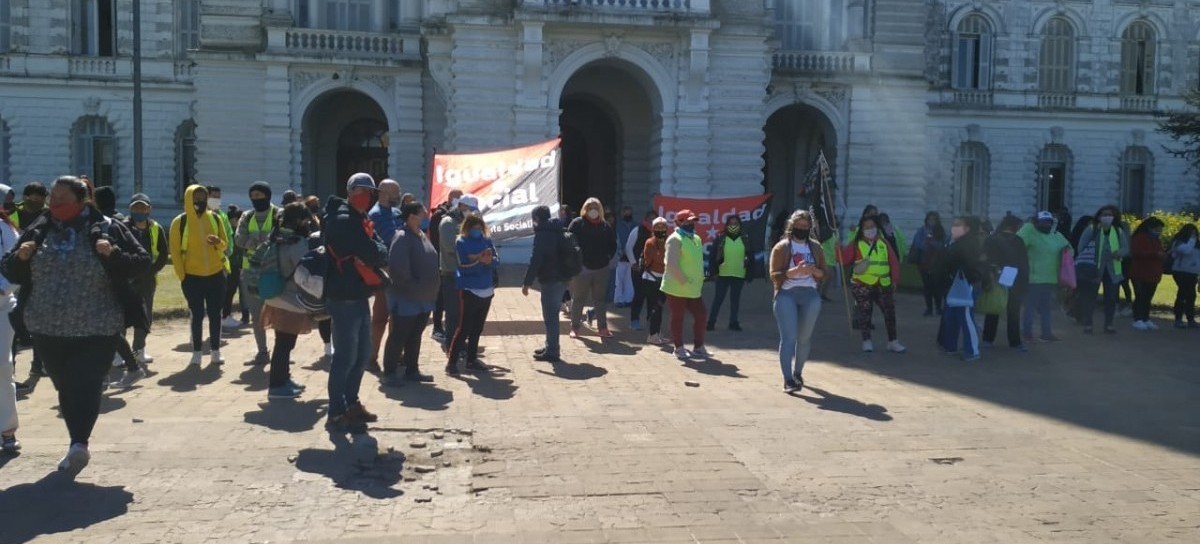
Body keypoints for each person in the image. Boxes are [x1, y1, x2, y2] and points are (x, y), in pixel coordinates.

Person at [0, 175, 150, 475]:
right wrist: (22, 256)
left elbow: (142, 262)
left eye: (62, 200)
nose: (54, 204)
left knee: (88, 383)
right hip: (47, 326)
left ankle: (79, 443)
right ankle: (76, 439)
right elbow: (9, 267)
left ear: (82, 202)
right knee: (65, 387)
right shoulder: (39, 228)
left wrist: (114, 253)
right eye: (52, 199)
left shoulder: (107, 227)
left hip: (98, 324)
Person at [323, 173, 389, 432]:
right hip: (343, 296)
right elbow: (373, 251)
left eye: (369, 191)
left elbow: (379, 249)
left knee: (361, 353)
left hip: (359, 293)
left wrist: (374, 254)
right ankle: (335, 411)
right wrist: (373, 254)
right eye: (361, 190)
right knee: (345, 356)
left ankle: (351, 404)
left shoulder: (360, 218)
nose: (366, 195)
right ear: (350, 191)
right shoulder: (342, 220)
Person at [259, 203, 321, 399]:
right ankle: (277, 385)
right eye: (305, 220)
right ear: (298, 221)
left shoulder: (277, 237)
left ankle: (284, 379)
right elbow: (304, 267)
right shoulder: (296, 242)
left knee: (283, 343)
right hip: (288, 301)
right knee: (284, 344)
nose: (308, 223)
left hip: (275, 297)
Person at [110, 193, 169, 388]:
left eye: (143, 208)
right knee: (122, 316)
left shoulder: (156, 228)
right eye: (136, 208)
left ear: (149, 209)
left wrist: (149, 270)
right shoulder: (122, 227)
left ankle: (139, 349)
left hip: (146, 280)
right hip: (126, 279)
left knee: (144, 316)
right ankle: (120, 353)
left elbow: (162, 253)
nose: (140, 211)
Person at [171, 184, 230, 366]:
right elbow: (174, 252)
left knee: (215, 314)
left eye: (203, 198)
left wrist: (218, 242)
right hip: (192, 277)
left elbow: (225, 245)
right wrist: (183, 276)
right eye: (195, 198)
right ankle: (196, 351)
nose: (200, 202)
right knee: (196, 315)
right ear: (188, 199)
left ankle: (215, 351)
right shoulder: (179, 222)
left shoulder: (215, 218)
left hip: (215, 274)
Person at [382, 202, 439, 385]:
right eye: (421, 212)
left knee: (415, 335)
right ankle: (389, 372)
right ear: (412, 216)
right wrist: (413, 286)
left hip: (424, 298)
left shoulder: (421, 234)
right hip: (407, 297)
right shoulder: (402, 237)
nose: (424, 214)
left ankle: (412, 369)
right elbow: (399, 269)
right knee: (399, 335)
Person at [770, 210, 825, 393]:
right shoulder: (782, 247)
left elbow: (824, 273)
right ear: (791, 226)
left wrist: (815, 272)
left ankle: (798, 372)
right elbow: (773, 274)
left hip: (810, 294)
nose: (801, 229)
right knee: (789, 338)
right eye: (798, 226)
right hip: (787, 293)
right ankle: (787, 379)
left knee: (804, 337)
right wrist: (790, 273)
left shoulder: (816, 247)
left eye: (805, 226)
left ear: (810, 227)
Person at [840, 215, 906, 353]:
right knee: (865, 313)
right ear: (861, 229)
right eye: (867, 227)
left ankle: (893, 341)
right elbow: (844, 260)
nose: (870, 230)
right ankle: (866, 341)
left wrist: (895, 279)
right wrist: (838, 249)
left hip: (883, 283)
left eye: (872, 227)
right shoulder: (856, 243)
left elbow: (893, 262)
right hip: (862, 284)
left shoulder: (883, 243)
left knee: (889, 313)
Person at [446, 213, 498, 374]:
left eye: (479, 227)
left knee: (478, 328)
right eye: (474, 228)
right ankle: (452, 362)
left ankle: (472, 359)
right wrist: (478, 262)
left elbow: (496, 260)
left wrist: (489, 261)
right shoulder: (461, 242)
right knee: (464, 328)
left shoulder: (486, 240)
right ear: (467, 228)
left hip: (487, 289)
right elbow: (462, 267)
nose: (477, 231)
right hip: (470, 290)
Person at [235, 181, 279, 365]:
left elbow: (282, 236)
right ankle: (262, 352)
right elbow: (238, 239)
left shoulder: (278, 214)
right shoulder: (247, 216)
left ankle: (281, 352)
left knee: (279, 313)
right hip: (251, 272)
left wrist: (253, 240)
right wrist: (265, 238)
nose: (256, 200)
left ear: (267, 196)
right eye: (253, 197)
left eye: (259, 196)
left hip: (274, 270)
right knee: (256, 315)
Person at [934, 216, 987, 361]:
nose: (954, 227)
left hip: (965, 284)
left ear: (967, 228)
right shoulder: (957, 243)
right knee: (953, 315)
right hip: (956, 284)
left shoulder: (967, 244)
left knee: (965, 315)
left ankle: (972, 350)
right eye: (954, 224)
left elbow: (964, 264)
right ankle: (950, 346)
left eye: (958, 225)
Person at [661, 209, 711, 360]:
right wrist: (684, 280)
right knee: (678, 317)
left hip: (693, 288)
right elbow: (671, 264)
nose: (691, 223)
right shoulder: (674, 239)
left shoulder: (696, 238)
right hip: (676, 286)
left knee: (701, 315)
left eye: (692, 221)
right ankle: (678, 348)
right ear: (679, 222)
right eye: (688, 221)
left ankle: (698, 346)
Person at [1074, 206, 1130, 334]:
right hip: (1093, 269)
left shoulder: (1118, 231)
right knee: (1090, 297)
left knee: (1111, 298)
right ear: (1099, 216)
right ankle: (1088, 323)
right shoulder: (1092, 229)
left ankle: (1109, 324)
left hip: (1112, 270)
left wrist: (1119, 253)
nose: (1107, 217)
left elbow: (1126, 248)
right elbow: (1081, 246)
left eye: (1109, 215)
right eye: (1104, 214)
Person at [523, 205, 568, 362]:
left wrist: (527, 283)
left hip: (550, 279)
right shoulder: (559, 229)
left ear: (536, 219)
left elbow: (536, 260)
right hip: (563, 278)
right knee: (553, 314)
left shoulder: (543, 235)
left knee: (550, 317)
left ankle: (553, 351)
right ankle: (550, 345)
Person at [1017, 211, 1070, 342]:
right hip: (1033, 279)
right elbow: (1018, 240)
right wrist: (1028, 226)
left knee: (1046, 308)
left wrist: (1066, 251)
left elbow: (1070, 251)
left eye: (1048, 222)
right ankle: (1027, 332)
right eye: (1042, 222)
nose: (1045, 224)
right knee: (1030, 306)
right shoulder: (1031, 234)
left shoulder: (1057, 236)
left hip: (1050, 279)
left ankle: (1046, 333)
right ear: (1036, 222)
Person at [568, 198, 617, 338]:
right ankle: (575, 328)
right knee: (578, 299)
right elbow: (569, 240)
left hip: (601, 268)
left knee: (600, 300)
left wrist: (608, 257)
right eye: (590, 207)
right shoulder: (577, 223)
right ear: (585, 209)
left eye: (595, 207)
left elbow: (612, 244)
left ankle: (602, 328)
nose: (593, 210)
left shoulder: (605, 226)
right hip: (582, 268)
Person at [367, 179, 403, 373]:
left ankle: (394, 354)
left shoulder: (397, 213)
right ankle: (371, 357)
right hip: (384, 273)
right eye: (395, 193)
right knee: (380, 317)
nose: (398, 196)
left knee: (398, 317)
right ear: (383, 193)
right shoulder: (374, 215)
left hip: (402, 272)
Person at [438, 194, 477, 355]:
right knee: (453, 312)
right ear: (461, 206)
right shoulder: (448, 222)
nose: (472, 213)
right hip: (451, 273)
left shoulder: (464, 222)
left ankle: (460, 343)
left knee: (464, 312)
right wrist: (471, 249)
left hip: (465, 272)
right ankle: (451, 345)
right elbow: (449, 247)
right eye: (470, 209)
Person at [982, 215, 1028, 351]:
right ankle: (1015, 342)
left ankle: (987, 339)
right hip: (1014, 278)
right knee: (1013, 312)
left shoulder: (991, 239)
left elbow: (984, 259)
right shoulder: (1018, 241)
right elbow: (1024, 264)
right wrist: (1024, 283)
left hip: (994, 277)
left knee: (993, 309)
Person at [0, 185, 21, 454]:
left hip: (2, 307)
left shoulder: (7, 231)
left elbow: (18, 267)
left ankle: (6, 429)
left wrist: (2, 289)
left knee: (2, 367)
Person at [707, 213, 754, 331]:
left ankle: (733, 322)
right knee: (718, 299)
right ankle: (711, 322)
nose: (733, 226)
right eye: (731, 223)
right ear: (726, 225)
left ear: (740, 225)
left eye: (736, 224)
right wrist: (713, 272)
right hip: (722, 274)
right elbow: (712, 256)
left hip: (739, 274)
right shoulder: (721, 238)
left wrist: (749, 273)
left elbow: (750, 256)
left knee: (735, 301)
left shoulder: (745, 238)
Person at [428, 189, 463, 342]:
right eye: (457, 199)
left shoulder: (459, 216)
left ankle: (451, 329)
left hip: (456, 263)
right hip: (440, 260)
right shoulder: (440, 216)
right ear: (450, 199)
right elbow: (436, 240)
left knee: (452, 299)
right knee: (440, 296)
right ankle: (437, 326)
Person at [1129, 217, 1166, 331]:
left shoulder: (1156, 240)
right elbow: (1136, 252)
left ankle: (1145, 318)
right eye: (1157, 229)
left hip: (1153, 273)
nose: (1159, 231)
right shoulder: (1139, 238)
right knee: (1140, 296)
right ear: (1150, 228)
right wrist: (1155, 254)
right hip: (1140, 272)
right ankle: (1137, 319)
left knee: (1148, 297)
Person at [625, 210, 657, 331]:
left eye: (654, 218)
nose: (652, 220)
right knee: (639, 294)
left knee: (652, 297)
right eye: (650, 218)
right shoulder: (637, 230)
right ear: (646, 218)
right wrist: (633, 263)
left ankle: (651, 321)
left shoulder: (659, 232)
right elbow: (628, 247)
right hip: (639, 268)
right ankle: (634, 320)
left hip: (654, 270)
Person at [640, 218, 670, 344]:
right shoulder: (650, 242)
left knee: (659, 307)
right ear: (653, 228)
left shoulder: (669, 242)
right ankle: (652, 334)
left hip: (664, 278)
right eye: (657, 227)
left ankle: (656, 332)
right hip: (651, 278)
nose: (660, 229)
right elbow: (658, 259)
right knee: (654, 307)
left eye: (663, 227)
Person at [909, 212, 945, 316]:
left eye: (934, 219)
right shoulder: (921, 230)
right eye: (930, 219)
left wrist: (931, 243)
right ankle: (929, 308)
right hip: (924, 262)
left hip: (937, 263)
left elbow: (943, 244)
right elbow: (917, 243)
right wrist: (927, 245)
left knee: (937, 287)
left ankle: (938, 307)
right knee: (927, 286)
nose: (931, 222)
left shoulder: (940, 231)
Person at [1168, 224, 1199, 328]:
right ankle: (1178, 318)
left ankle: (1190, 319)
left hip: (1192, 273)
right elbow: (1187, 250)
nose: (1194, 235)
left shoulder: (1197, 244)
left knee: (1191, 296)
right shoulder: (1179, 242)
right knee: (1182, 294)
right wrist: (1192, 239)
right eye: (1192, 233)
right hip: (1181, 272)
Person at [222, 204, 247, 329]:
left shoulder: (232, 231)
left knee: (230, 292)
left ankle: (226, 315)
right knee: (229, 292)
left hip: (235, 266)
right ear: (233, 219)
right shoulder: (231, 233)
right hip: (231, 266)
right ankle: (225, 316)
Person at [614, 206, 637, 307]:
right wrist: (620, 253)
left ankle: (628, 300)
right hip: (620, 257)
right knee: (619, 281)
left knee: (630, 281)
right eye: (625, 213)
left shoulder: (636, 226)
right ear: (622, 214)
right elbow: (616, 240)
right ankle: (618, 300)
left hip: (632, 257)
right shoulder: (618, 226)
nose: (628, 214)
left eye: (629, 212)